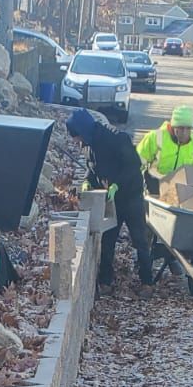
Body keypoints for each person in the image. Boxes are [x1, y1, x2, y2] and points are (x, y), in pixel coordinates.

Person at [65, 108, 154, 292]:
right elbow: (92, 169)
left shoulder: (116, 139)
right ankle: (105, 281)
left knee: (139, 238)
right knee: (108, 240)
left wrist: (117, 185)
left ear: (84, 130)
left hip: (130, 196)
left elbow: (133, 166)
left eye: (77, 137)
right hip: (111, 201)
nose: (76, 142)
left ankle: (147, 282)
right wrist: (87, 183)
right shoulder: (89, 146)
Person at [135, 105, 193, 177]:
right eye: (180, 128)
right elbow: (136, 163)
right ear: (173, 126)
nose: (184, 132)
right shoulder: (155, 137)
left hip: (181, 185)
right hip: (154, 182)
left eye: (188, 128)